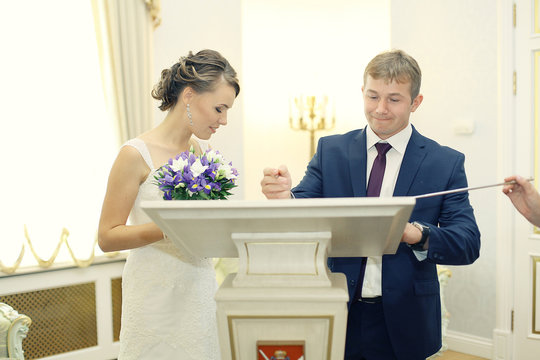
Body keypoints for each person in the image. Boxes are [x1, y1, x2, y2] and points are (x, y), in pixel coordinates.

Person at [260, 49, 481, 360]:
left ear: (415, 102)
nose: (380, 109)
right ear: (362, 92)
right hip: (339, 312)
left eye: (394, 99)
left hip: (408, 320)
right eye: (372, 96)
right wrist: (284, 197)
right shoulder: (330, 150)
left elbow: (468, 243)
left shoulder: (445, 162)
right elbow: (303, 205)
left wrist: (415, 233)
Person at [98, 49, 240, 360]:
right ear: (189, 95)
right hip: (153, 295)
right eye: (219, 108)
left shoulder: (202, 153)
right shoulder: (134, 154)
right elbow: (107, 237)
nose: (224, 120)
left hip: (198, 288)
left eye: (227, 110)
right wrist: (170, 227)